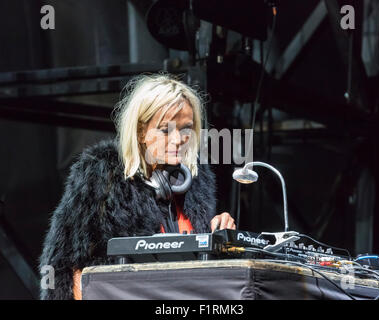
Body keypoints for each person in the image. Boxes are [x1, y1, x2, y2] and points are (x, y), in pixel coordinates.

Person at [38, 73, 236, 300]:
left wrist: (221, 238)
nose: (178, 140)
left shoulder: (196, 183)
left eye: (186, 129)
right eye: (165, 130)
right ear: (141, 131)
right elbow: (65, 265)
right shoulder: (102, 175)